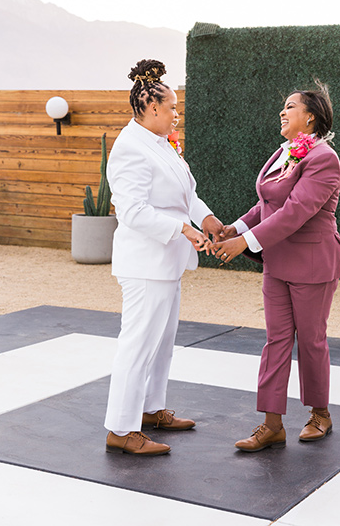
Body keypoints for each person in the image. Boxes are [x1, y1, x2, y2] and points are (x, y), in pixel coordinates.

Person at [213, 80, 340, 452]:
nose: (283, 111)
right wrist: (237, 226)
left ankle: (320, 415)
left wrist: (243, 242)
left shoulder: (324, 158)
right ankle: (271, 424)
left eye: (290, 107)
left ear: (310, 118)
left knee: (311, 342)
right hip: (276, 263)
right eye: (284, 106)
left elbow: (295, 212)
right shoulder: (284, 154)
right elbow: (267, 203)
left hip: (313, 264)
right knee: (276, 341)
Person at [104, 59, 222, 455]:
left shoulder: (161, 144)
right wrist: (184, 230)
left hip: (167, 264)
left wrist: (204, 217)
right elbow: (132, 211)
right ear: (152, 108)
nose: (176, 113)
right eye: (173, 107)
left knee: (163, 341)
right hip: (145, 264)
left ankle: (151, 409)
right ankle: (121, 429)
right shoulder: (129, 149)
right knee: (138, 343)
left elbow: (184, 194)